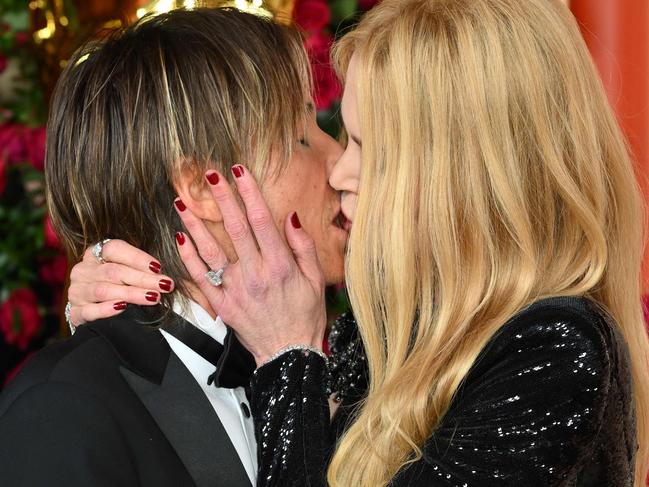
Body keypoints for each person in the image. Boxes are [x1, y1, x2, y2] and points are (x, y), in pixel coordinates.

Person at [69, 0, 649, 486]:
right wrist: (139, 314)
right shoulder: (383, 335)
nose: (340, 170)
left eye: (370, 147)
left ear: (461, 174)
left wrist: (288, 355)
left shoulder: (553, 350)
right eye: (330, 135)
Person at [0, 8, 346, 486]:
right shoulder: (63, 408)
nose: (340, 160)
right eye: (303, 137)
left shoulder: (341, 366)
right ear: (202, 186)